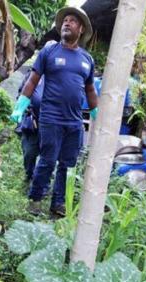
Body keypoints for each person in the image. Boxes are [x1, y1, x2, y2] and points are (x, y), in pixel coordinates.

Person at [10, 7, 98, 217]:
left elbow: (90, 89)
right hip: (51, 118)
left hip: (74, 122)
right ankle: (36, 200)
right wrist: (21, 105)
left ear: (81, 29)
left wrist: (96, 113)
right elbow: (33, 80)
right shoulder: (49, 52)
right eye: (65, 21)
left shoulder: (87, 59)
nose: (67, 23)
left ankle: (58, 203)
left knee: (68, 165)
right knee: (48, 161)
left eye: (72, 21)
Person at [15, 71, 45, 183]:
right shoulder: (32, 74)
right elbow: (21, 94)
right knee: (29, 152)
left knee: (47, 154)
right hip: (32, 122)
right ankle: (29, 175)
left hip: (50, 123)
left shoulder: (58, 74)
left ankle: (42, 182)